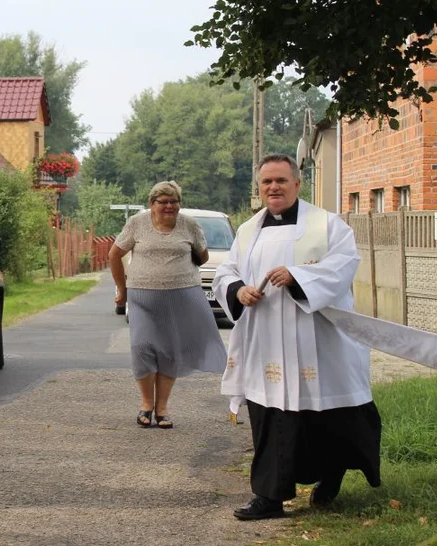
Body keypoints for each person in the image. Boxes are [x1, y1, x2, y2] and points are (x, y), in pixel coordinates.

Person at [213, 153, 382, 521]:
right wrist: (239, 290)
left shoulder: (327, 225)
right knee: (271, 417)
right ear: (259, 188)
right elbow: (226, 271)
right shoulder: (248, 230)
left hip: (318, 338)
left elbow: (343, 265)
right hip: (267, 340)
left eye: (281, 181)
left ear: (297, 184)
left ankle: (330, 477)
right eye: (266, 182)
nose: (273, 187)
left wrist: (299, 278)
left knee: (328, 417)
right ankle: (269, 497)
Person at [108, 181, 228, 429]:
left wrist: (192, 250)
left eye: (174, 201)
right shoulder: (137, 224)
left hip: (180, 296)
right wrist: (122, 289)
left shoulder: (189, 225)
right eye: (163, 201)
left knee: (169, 351)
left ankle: (162, 409)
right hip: (142, 296)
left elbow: (202, 255)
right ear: (152, 204)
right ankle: (145, 405)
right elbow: (114, 254)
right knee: (142, 347)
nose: (169, 206)